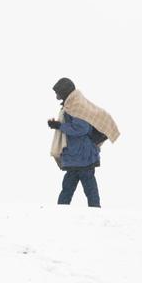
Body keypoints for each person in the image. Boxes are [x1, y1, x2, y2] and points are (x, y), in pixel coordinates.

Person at [48, 78, 120, 207]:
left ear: (65, 91)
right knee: (73, 189)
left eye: (58, 92)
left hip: (82, 156)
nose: (56, 96)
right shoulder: (71, 104)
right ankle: (63, 213)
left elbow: (82, 128)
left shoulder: (76, 106)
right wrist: (58, 125)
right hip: (76, 156)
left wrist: (59, 126)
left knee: (82, 189)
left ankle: (92, 214)